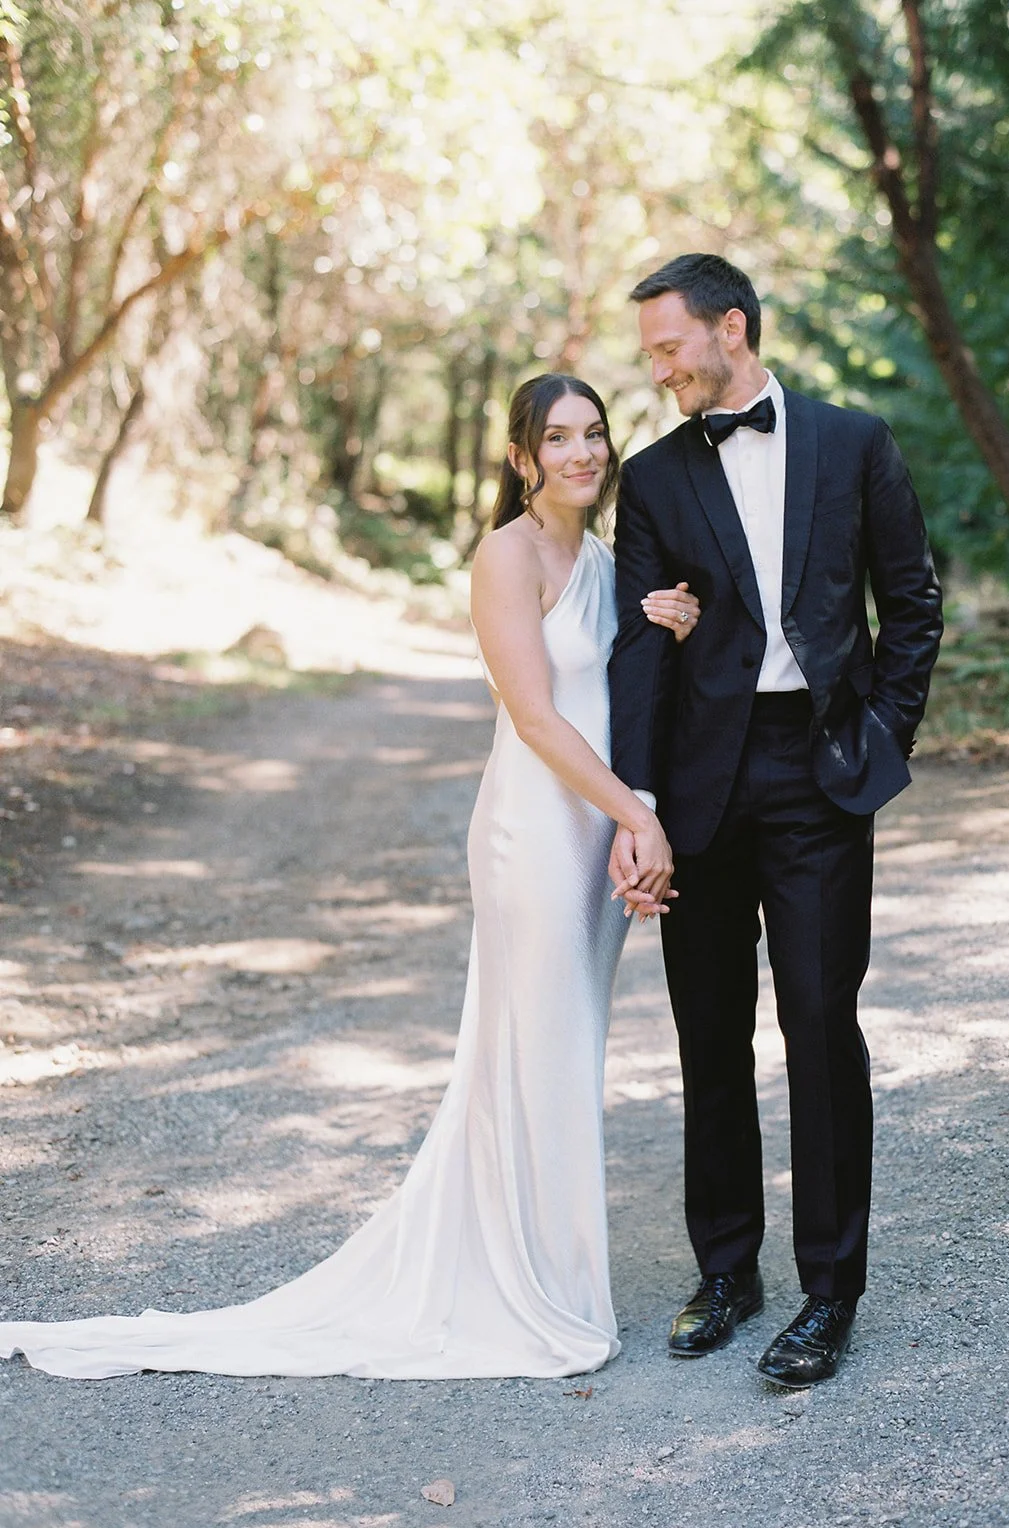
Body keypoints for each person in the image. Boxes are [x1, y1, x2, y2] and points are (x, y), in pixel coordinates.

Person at [0, 373, 698, 1382]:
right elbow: (538, 718)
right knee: (533, 1046)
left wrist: (663, 623)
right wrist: (640, 817)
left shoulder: (605, 559)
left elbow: (622, 684)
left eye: (593, 433)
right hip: (538, 830)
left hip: (600, 832)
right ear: (520, 458)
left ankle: (545, 1269)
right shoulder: (504, 556)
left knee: (564, 1048)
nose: (583, 452)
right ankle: (528, 1289)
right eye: (558, 438)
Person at [607, 254, 943, 1387]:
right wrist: (642, 805)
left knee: (819, 1023)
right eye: (651, 353)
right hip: (700, 782)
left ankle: (830, 1292)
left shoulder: (854, 443)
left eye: (669, 347)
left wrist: (881, 735)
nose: (658, 370)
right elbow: (640, 654)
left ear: (731, 329)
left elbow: (912, 603)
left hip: (820, 772)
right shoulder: (653, 477)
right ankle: (726, 1271)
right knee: (708, 1033)